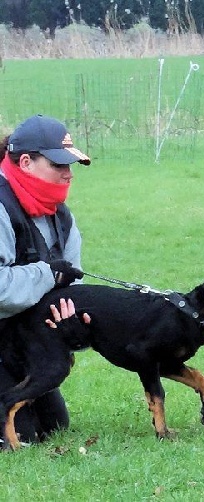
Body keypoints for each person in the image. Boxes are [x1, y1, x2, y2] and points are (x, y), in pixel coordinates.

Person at [0, 114, 90, 444]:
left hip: (21, 337)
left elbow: (73, 284)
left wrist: (70, 315)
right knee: (18, 437)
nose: (68, 174)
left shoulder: (61, 215)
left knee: (53, 428)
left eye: (71, 165)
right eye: (58, 164)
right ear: (26, 162)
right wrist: (49, 273)